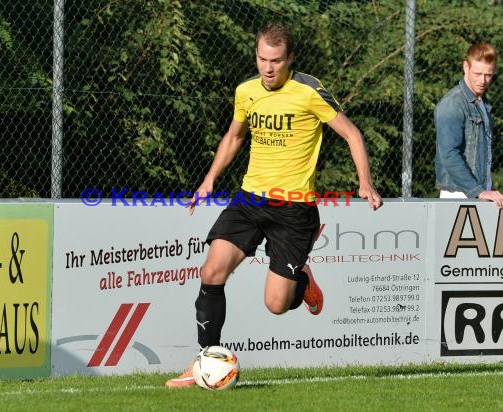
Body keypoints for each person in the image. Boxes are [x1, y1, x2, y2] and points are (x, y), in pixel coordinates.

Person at [165, 22, 382, 388]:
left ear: (290, 59)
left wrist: (365, 182)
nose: (268, 68)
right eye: (262, 59)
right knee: (211, 272)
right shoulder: (246, 91)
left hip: (294, 211)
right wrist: (209, 180)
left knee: (277, 304)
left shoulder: (309, 91)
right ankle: (205, 360)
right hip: (249, 201)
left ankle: (302, 281)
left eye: (276, 61)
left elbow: (352, 134)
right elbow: (234, 137)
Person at [435, 42, 503, 208]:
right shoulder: (453, 103)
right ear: (466, 67)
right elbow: (449, 155)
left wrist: (484, 188)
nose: (483, 80)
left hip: (478, 192)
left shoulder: (481, 104)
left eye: (488, 75)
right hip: (458, 194)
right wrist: (477, 191)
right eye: (477, 73)